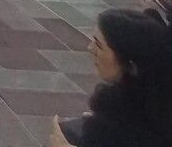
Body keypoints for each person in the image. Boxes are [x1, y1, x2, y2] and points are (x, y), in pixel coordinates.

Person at [49, 8, 172, 146]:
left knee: (69, 133)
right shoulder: (155, 99)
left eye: (99, 46)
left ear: (130, 65)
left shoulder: (122, 122)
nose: (90, 48)